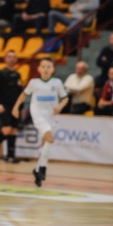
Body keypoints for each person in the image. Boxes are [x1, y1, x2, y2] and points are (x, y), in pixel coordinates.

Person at [12, 58, 68, 187]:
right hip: (38, 115)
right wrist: (16, 107)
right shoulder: (34, 82)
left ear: (53, 69)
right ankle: (43, 168)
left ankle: (37, 170)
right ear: (39, 69)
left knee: (46, 143)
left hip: (51, 116)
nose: (46, 69)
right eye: (43, 66)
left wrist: (60, 106)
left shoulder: (57, 82)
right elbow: (23, 95)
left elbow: (65, 98)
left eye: (49, 66)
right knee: (50, 138)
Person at [0, 50, 23, 162]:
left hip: (15, 107)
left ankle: (10, 156)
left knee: (14, 130)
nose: (11, 59)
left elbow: (20, 92)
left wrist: (20, 107)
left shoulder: (17, 74)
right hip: (4, 106)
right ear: (5, 59)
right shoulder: (0, 73)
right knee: (7, 130)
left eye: (14, 57)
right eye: (9, 57)